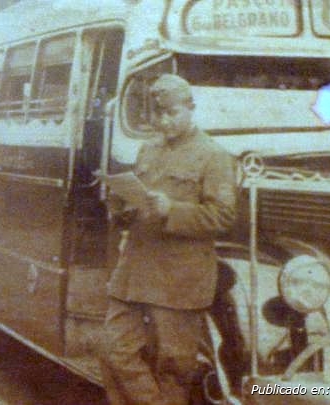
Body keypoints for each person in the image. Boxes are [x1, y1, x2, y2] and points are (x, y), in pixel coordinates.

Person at [99, 73, 236, 405]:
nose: (164, 121)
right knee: (111, 349)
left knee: (173, 367)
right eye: (158, 114)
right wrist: (121, 205)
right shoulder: (148, 149)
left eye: (172, 113)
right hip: (135, 271)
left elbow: (223, 217)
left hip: (179, 280)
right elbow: (134, 205)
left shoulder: (213, 156)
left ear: (190, 108)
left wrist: (172, 210)